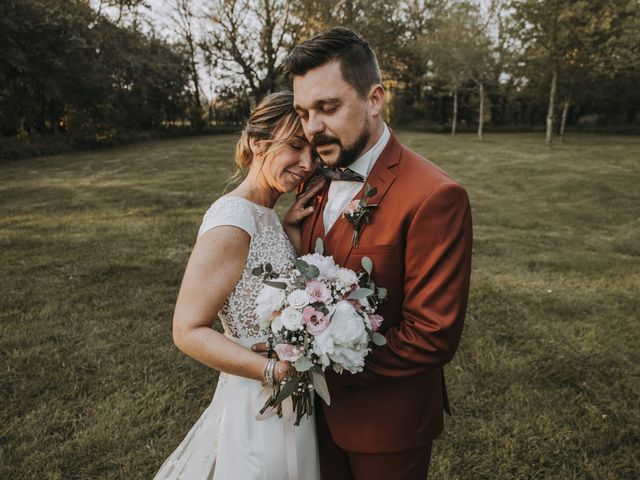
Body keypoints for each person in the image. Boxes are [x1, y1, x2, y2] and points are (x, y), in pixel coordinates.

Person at [278, 27, 473, 479]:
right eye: (304, 113)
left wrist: (317, 357)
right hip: (310, 420)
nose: (313, 128)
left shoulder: (434, 197)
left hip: (388, 428)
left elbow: (432, 334)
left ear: (375, 99)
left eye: (328, 108)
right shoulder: (315, 181)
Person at [153, 91, 324, 480]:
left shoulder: (265, 214)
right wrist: (273, 371)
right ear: (257, 142)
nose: (307, 163)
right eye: (295, 146)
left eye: (312, 151)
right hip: (257, 404)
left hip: (290, 399)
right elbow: (187, 330)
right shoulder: (232, 220)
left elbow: (264, 287)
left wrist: (289, 229)